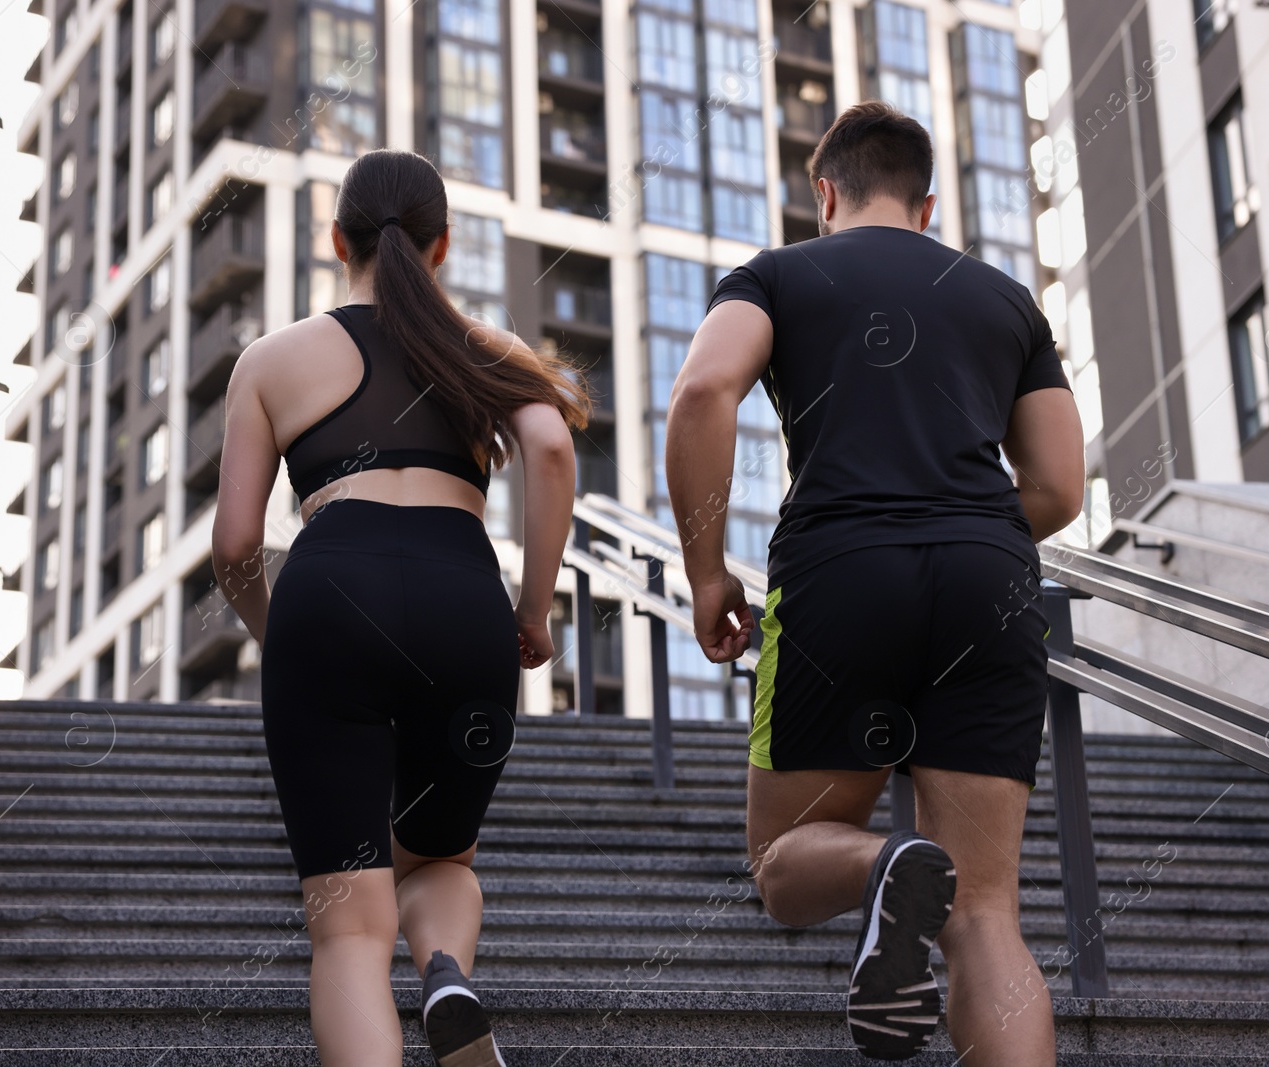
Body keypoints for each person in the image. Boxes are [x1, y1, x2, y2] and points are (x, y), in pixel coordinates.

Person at [665, 101, 1083, 1065]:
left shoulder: (775, 275)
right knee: (984, 908)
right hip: (992, 579)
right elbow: (1060, 484)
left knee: (780, 863)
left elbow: (700, 391)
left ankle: (885, 860)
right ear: (925, 205)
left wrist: (704, 573)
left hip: (836, 574)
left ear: (825, 192)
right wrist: (965, 528)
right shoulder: (1006, 298)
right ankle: (923, 878)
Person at [212, 148, 587, 1067]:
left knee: (347, 928)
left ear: (337, 241)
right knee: (439, 859)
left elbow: (230, 548)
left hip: (329, 594)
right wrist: (533, 611)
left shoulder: (270, 359)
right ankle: (447, 967)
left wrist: (285, 638)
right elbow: (549, 452)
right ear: (443, 246)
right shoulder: (484, 353)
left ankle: (416, 980)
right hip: (465, 608)